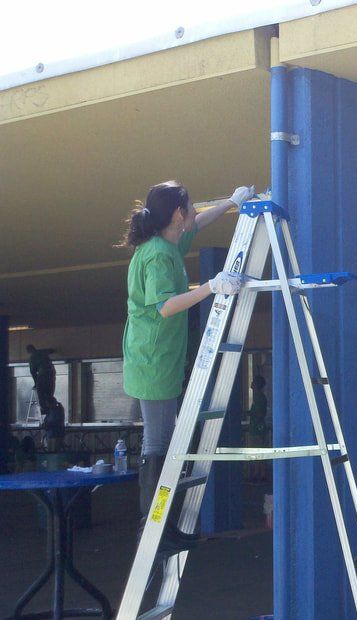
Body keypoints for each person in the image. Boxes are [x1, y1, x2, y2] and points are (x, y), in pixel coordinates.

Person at [119, 180, 252, 553]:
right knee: (158, 446)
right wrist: (212, 287)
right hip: (153, 362)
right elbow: (165, 306)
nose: (195, 210)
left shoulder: (167, 242)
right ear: (178, 213)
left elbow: (198, 223)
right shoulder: (159, 255)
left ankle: (162, 524)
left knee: (165, 444)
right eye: (190, 205)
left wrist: (231, 202)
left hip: (160, 359)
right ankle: (154, 528)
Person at [245, 375, 269, 481]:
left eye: (253, 382)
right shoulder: (257, 397)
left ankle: (260, 473)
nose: (251, 383)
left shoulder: (260, 398)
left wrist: (251, 414)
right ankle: (258, 472)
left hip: (257, 429)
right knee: (256, 451)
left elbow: (259, 414)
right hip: (255, 428)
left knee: (258, 451)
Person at [26, 344, 57, 409]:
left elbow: (33, 372)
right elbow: (51, 350)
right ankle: (53, 406)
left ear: (29, 351)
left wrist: (36, 383)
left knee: (41, 393)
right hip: (51, 373)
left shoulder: (32, 357)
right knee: (49, 393)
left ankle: (44, 408)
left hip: (43, 374)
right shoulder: (42, 352)